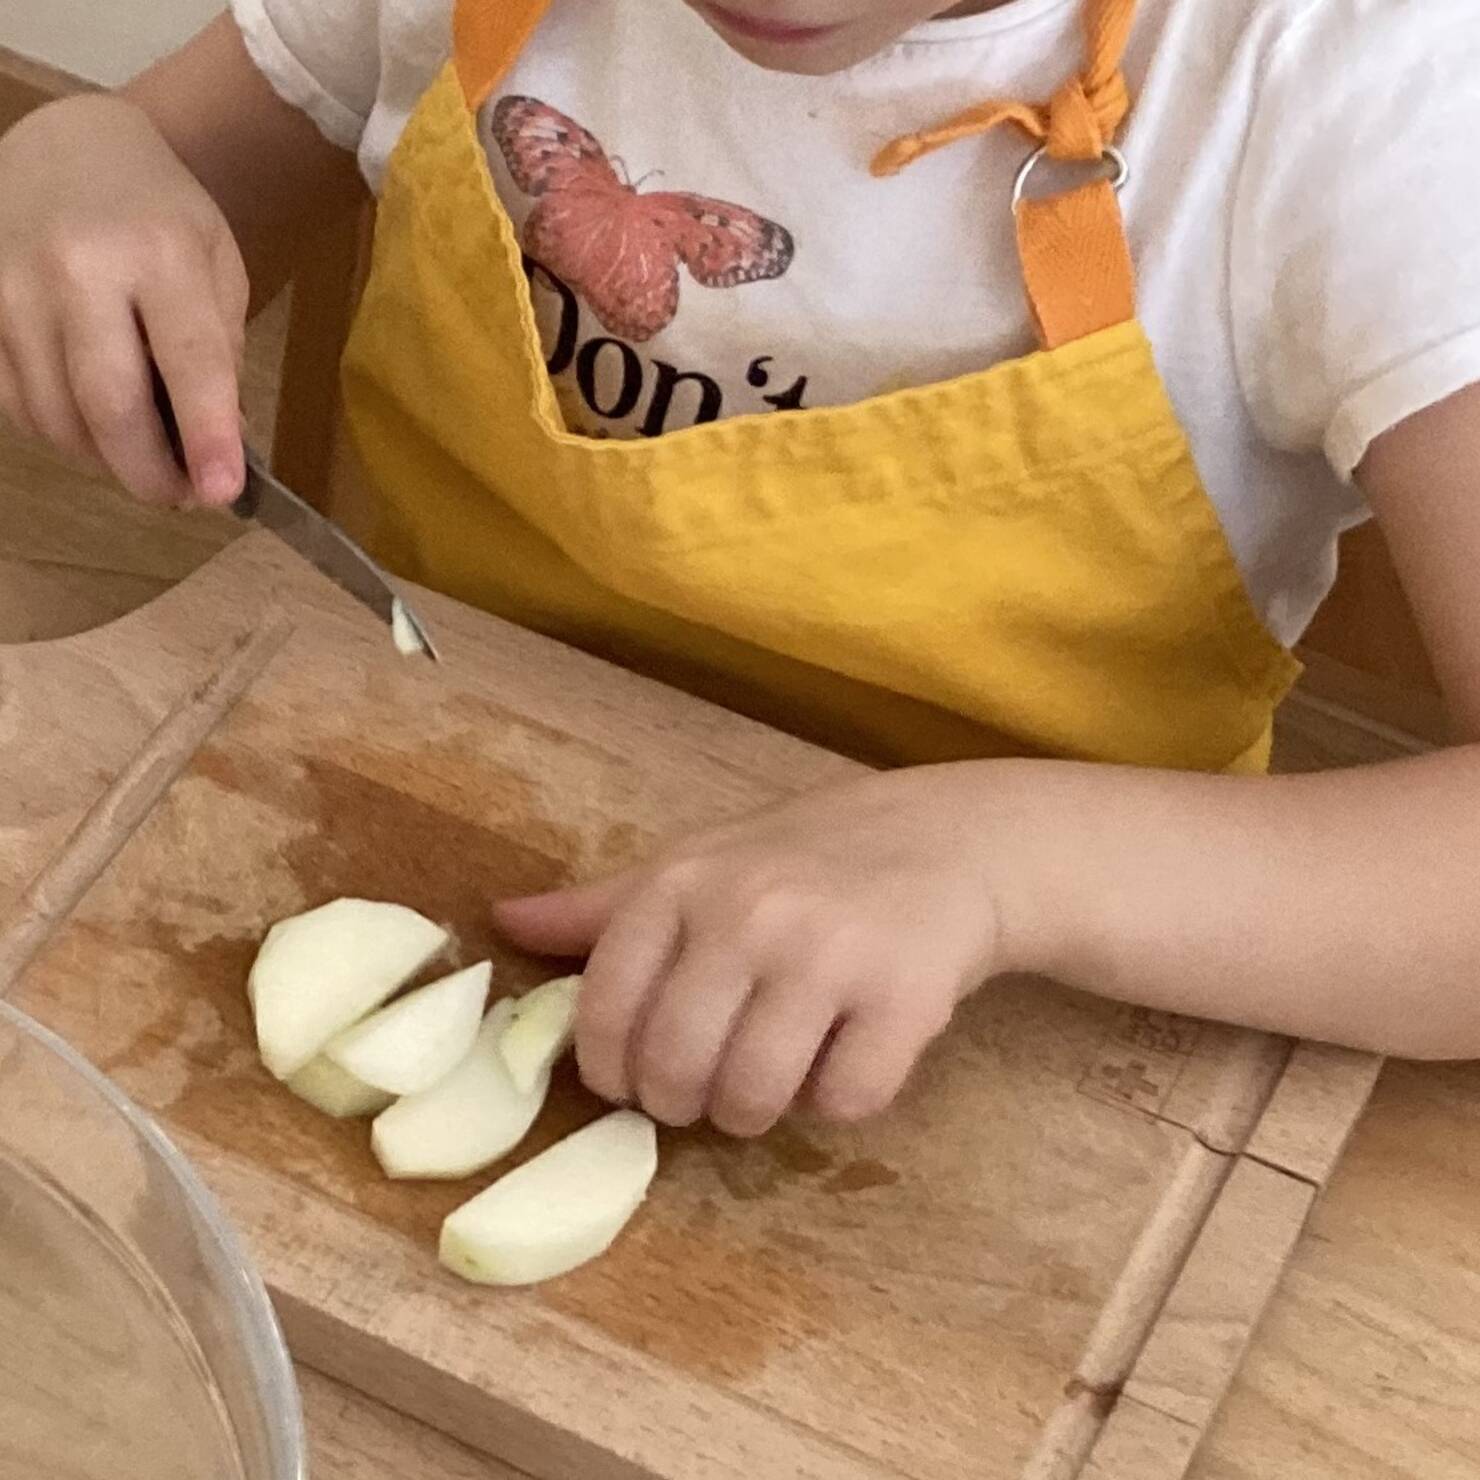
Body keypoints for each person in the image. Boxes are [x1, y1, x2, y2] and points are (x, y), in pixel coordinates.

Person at [1, 0, 1478, 1139]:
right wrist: (74, 159)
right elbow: (152, 183)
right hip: (396, 797)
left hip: (1021, 1028)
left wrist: (1007, 867)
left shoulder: (1360, 92)